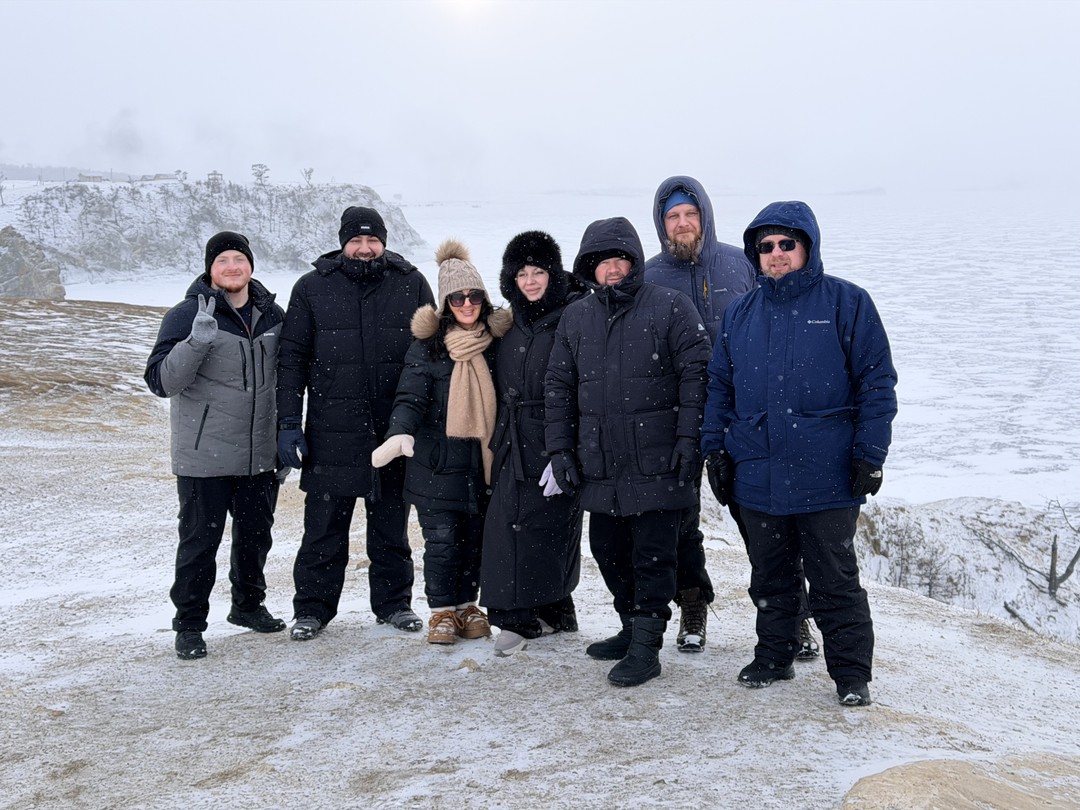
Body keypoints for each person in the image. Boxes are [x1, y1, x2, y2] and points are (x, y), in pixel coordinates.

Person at [701, 200, 897, 706]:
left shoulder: (847, 303)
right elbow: (720, 387)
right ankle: (774, 655)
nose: (776, 253)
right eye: (766, 246)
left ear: (808, 245)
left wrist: (870, 453)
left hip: (826, 473)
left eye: (787, 243)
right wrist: (714, 451)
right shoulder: (741, 313)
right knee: (770, 575)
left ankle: (851, 674)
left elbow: (876, 383)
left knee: (835, 579)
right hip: (756, 472)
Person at [545, 217, 711, 687]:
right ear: (589, 269)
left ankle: (647, 646)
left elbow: (698, 376)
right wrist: (561, 450)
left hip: (658, 460)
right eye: (602, 262)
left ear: (634, 261)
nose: (612, 268)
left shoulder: (669, 306)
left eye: (620, 258)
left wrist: (689, 441)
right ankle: (629, 626)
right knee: (608, 549)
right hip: (600, 461)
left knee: (654, 556)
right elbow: (559, 385)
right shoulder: (577, 317)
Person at [277, 206, 434, 641]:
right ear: (343, 243)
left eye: (373, 240)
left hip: (392, 430)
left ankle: (394, 604)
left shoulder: (411, 283)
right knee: (323, 530)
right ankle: (312, 609)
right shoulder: (311, 287)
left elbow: (429, 356)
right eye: (356, 240)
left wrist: (424, 421)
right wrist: (288, 421)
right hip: (331, 431)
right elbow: (292, 359)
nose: (365, 248)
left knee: (391, 527)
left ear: (384, 242)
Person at [145, 231, 287, 660]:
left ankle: (248, 606)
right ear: (210, 269)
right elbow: (162, 382)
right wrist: (197, 341)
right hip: (203, 456)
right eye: (222, 260)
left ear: (251, 266)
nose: (232, 267)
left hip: (259, 455)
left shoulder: (272, 314)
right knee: (199, 544)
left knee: (255, 538)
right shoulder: (186, 314)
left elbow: (287, 377)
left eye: (239, 259)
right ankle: (189, 625)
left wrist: (283, 438)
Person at [372, 239, 512, 645]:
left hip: (481, 462)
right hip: (435, 464)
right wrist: (399, 432)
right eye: (457, 298)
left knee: (474, 540)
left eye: (474, 296)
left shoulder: (497, 345)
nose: (467, 304)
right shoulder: (427, 349)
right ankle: (442, 612)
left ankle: (468, 606)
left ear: (484, 299)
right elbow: (410, 398)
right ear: (445, 304)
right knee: (442, 542)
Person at [644, 175, 757, 653]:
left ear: (705, 215)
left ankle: (790, 615)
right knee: (681, 521)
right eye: (673, 216)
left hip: (741, 412)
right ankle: (692, 604)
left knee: (763, 520)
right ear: (661, 224)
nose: (683, 223)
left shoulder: (740, 263)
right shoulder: (648, 276)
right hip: (678, 414)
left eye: (690, 213)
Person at [480, 231, 587, 657]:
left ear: (552, 274)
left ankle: (553, 606)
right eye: (521, 274)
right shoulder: (509, 321)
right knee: (507, 525)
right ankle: (514, 615)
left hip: (555, 434)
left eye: (538, 272)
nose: (530, 281)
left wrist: (569, 448)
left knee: (553, 527)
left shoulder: (572, 317)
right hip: (512, 437)